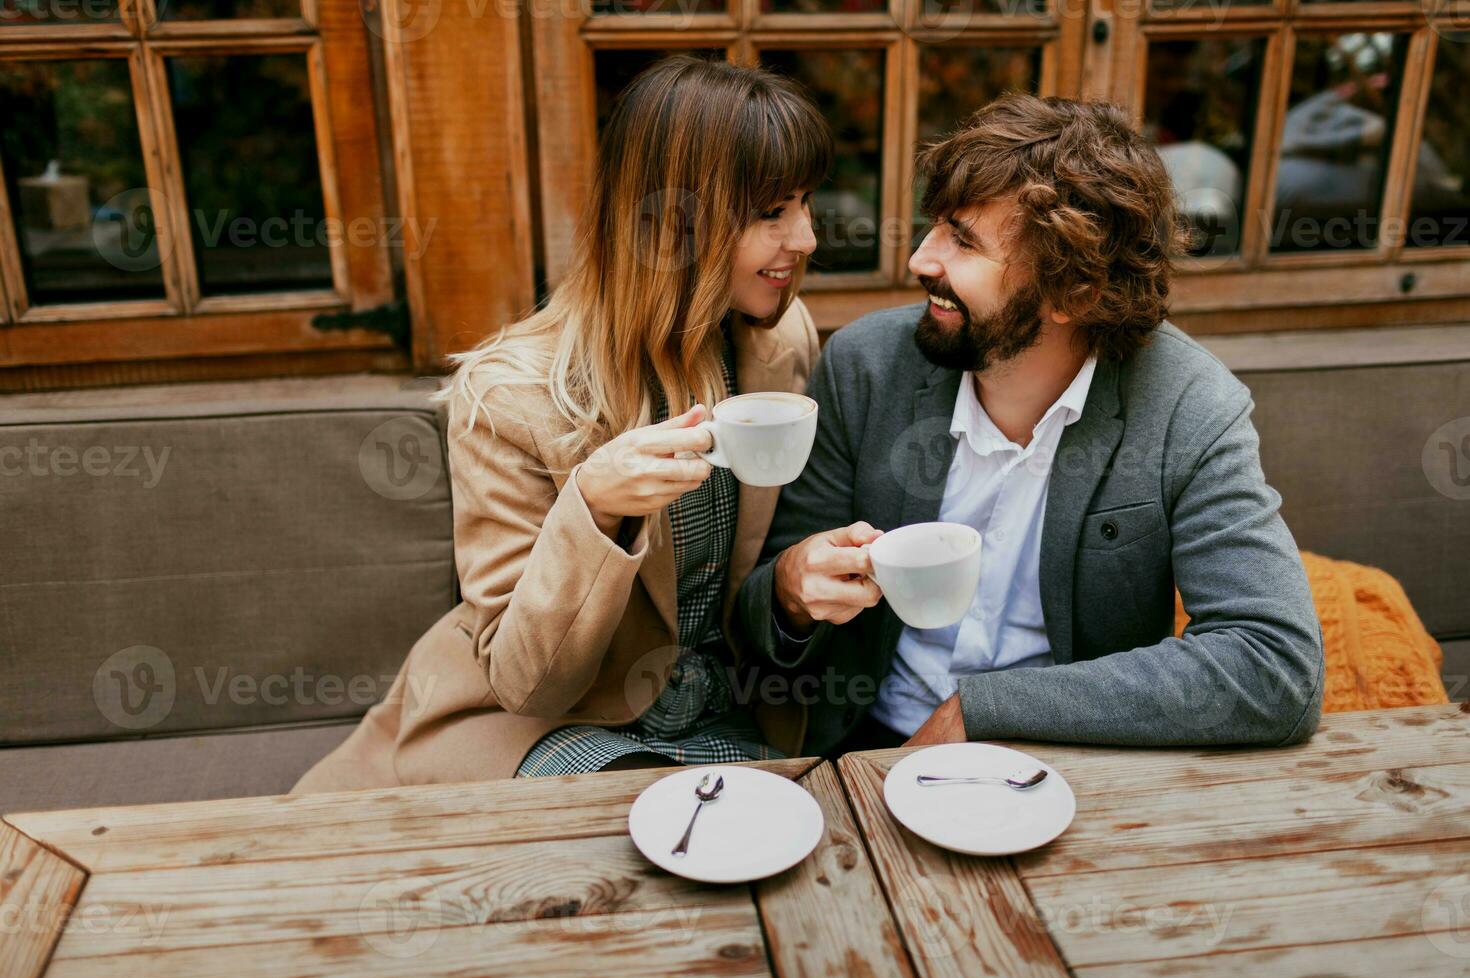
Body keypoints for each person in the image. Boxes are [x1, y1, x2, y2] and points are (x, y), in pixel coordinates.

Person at [293, 55, 832, 791]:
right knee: (623, 842)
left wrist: (801, 590)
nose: (805, 238)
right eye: (772, 212)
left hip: (720, 711)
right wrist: (594, 507)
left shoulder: (778, 342)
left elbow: (747, 587)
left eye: (805, 203)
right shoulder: (511, 395)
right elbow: (527, 681)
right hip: (549, 724)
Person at [733, 93, 1324, 757]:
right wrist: (789, 590)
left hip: (1070, 756)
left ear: (1075, 293)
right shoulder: (867, 368)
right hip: (867, 749)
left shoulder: (1188, 406)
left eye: (963, 241)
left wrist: (983, 710)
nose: (921, 261)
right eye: (936, 228)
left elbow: (1275, 664)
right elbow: (756, 622)